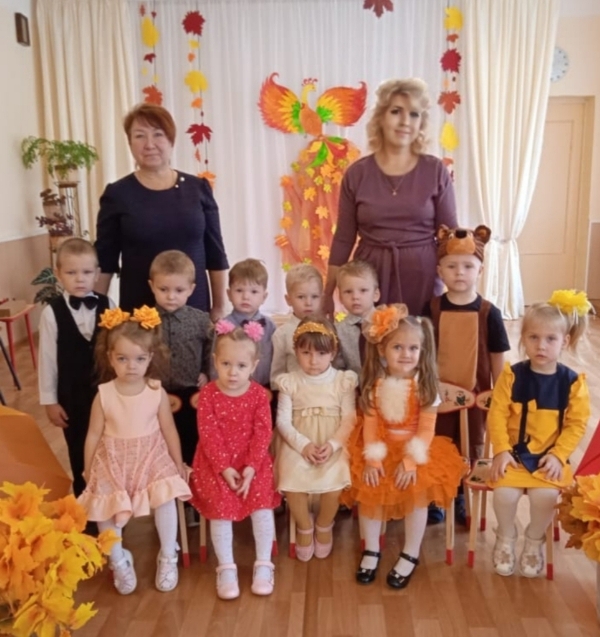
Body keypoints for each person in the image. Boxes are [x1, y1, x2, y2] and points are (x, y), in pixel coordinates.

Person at [343, 304, 465, 589]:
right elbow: (371, 425)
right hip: (381, 447)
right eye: (397, 347)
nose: (406, 354)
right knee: (370, 490)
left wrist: (410, 462)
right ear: (382, 350)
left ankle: (411, 552)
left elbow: (426, 430)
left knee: (416, 494)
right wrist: (373, 459)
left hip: (416, 449)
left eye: (413, 348)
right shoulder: (375, 385)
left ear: (422, 350)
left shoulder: (425, 387)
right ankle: (371, 549)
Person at [78, 306, 191, 595]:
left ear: (150, 358)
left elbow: (169, 430)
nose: (131, 366)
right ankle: (118, 560)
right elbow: (93, 435)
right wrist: (89, 468)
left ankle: (168, 554)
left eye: (140, 359)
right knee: (105, 505)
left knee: (165, 498)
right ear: (110, 358)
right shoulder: (104, 394)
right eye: (123, 359)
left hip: (151, 455)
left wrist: (178, 463)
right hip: (114, 459)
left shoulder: (156, 391)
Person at [324, 78, 457, 316]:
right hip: (369, 280)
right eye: (396, 111)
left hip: (423, 277)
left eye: (414, 114)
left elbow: (450, 238)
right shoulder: (357, 174)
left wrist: (460, 292)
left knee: (420, 338)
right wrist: (327, 295)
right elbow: (343, 239)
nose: (405, 121)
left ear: (421, 122)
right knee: (372, 338)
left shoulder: (436, 171)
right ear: (381, 117)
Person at [487, 290, 591, 578]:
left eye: (550, 339)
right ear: (523, 339)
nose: (541, 345)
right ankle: (506, 536)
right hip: (514, 457)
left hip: (549, 459)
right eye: (533, 337)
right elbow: (497, 415)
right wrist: (501, 450)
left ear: (564, 341)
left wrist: (559, 455)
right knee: (504, 495)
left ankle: (534, 540)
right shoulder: (512, 376)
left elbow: (576, 424)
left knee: (545, 496)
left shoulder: (572, 383)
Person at [95, 103, 229, 318]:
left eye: (158, 134)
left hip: (194, 308)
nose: (149, 144)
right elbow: (105, 260)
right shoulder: (117, 194)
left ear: (171, 141)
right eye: (139, 136)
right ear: (130, 143)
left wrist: (219, 307)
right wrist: (96, 313)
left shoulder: (198, 188)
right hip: (140, 310)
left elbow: (216, 254)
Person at [423, 225, 510, 525]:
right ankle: (437, 495)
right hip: (439, 394)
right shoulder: (432, 309)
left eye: (468, 266)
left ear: (480, 270)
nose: (459, 272)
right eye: (451, 266)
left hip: (474, 395)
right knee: (438, 443)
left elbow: (497, 356)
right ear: (440, 271)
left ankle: (461, 495)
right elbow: (424, 351)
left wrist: (500, 394)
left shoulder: (489, 312)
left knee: (467, 445)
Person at [190, 320, 280, 600]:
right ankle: (226, 567)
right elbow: (208, 433)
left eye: (241, 366)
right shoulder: (208, 394)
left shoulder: (258, 395)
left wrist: (251, 466)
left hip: (253, 463)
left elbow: (263, 432)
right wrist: (224, 468)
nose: (233, 372)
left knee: (262, 507)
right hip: (217, 464)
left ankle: (264, 563)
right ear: (215, 361)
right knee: (221, 510)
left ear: (254, 366)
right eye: (226, 364)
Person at [274, 318, 358, 561]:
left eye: (321, 353)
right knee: (292, 481)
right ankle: (304, 526)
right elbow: (283, 422)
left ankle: (323, 524)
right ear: (296, 351)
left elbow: (349, 419)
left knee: (335, 482)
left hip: (333, 441)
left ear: (333, 353)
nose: (313, 360)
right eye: (306, 353)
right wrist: (303, 445)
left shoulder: (343, 381)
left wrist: (332, 445)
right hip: (298, 442)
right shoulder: (289, 381)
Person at [38, 238, 112, 506]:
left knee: (109, 446)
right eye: (71, 272)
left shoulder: (109, 304)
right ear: (58, 274)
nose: (80, 279)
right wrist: (50, 401)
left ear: (97, 273)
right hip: (72, 397)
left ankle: (112, 502)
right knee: (79, 448)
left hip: (105, 393)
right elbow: (47, 359)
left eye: (86, 272)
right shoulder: (51, 313)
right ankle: (85, 505)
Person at [148, 250, 213, 467]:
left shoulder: (200, 320)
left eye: (179, 290)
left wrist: (206, 372)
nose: (171, 296)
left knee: (191, 441)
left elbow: (210, 348)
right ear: (152, 286)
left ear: (191, 289)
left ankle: (191, 481)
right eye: (163, 289)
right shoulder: (144, 320)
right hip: (155, 393)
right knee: (159, 444)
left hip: (190, 393)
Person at [220, 258, 276, 388]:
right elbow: (215, 361)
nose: (246, 296)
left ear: (264, 297)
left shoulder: (269, 326)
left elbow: (277, 358)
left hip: (265, 387)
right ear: (229, 294)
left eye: (254, 291)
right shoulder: (224, 326)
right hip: (231, 388)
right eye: (239, 290)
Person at [270, 263, 324, 387]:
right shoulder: (282, 334)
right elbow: (277, 373)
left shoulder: (329, 329)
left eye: (314, 296)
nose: (308, 303)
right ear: (288, 300)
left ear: (322, 298)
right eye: (301, 297)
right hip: (295, 393)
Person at [334, 260, 380, 376]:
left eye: (363, 290)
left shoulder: (389, 324)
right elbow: (338, 367)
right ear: (340, 297)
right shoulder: (338, 330)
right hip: (353, 384)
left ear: (376, 295)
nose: (355, 297)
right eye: (348, 292)